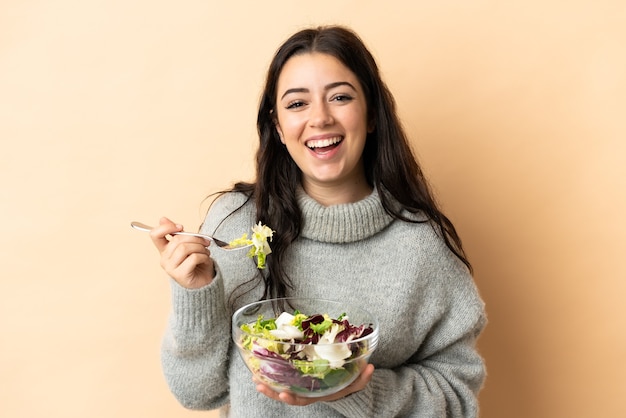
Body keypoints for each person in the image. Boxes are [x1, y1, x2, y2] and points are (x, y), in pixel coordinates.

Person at [147, 25, 486, 417]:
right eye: (297, 104)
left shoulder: (422, 245)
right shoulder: (236, 224)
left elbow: (458, 400)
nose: (320, 118)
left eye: (340, 97)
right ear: (277, 127)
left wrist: (348, 387)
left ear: (372, 114)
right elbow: (197, 394)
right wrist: (197, 294)